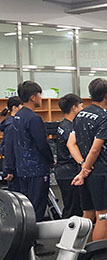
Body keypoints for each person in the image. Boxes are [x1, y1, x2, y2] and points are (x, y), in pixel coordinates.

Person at [70, 78, 107, 241]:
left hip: (85, 169)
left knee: (87, 213)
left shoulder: (80, 114)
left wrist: (83, 168)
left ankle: (81, 254)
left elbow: (73, 143)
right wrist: (85, 170)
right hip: (100, 171)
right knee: (103, 215)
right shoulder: (104, 117)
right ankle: (100, 259)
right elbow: (95, 149)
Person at [14, 81, 54, 222]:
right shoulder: (34, 118)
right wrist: (51, 160)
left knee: (26, 207)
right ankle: (31, 241)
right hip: (37, 170)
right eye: (40, 95)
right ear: (33, 97)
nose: (41, 98)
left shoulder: (17, 117)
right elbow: (41, 144)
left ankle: (27, 240)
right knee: (37, 206)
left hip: (22, 169)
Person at [55, 94, 84, 219]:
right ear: (74, 108)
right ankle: (67, 235)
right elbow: (73, 148)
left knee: (72, 206)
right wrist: (83, 164)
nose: (82, 109)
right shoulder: (69, 128)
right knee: (72, 209)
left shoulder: (64, 124)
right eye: (81, 106)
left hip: (64, 171)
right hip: (69, 172)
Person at [1, 96, 23, 192]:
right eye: (21, 105)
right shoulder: (12, 125)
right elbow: (9, 148)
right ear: (15, 107)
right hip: (14, 167)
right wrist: (9, 170)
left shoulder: (11, 123)